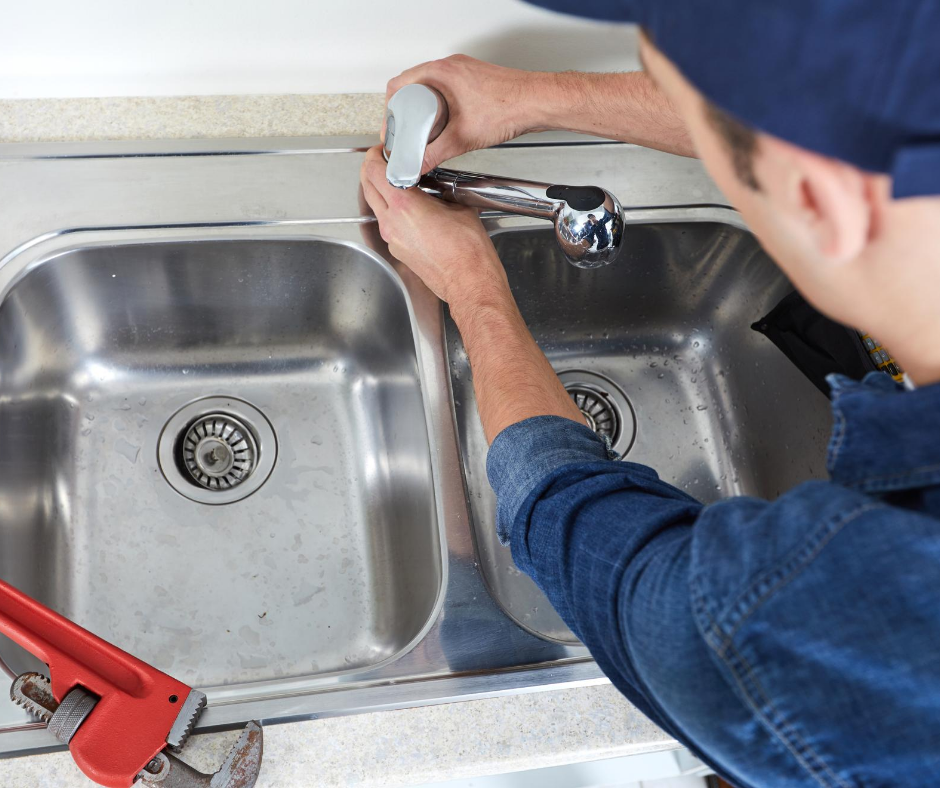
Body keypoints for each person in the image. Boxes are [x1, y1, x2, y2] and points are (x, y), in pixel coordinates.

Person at [359, 2, 940, 785]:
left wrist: (472, 286)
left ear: (819, 203)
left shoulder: (823, 621)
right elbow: (768, 123)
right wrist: (535, 98)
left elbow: (572, 511)